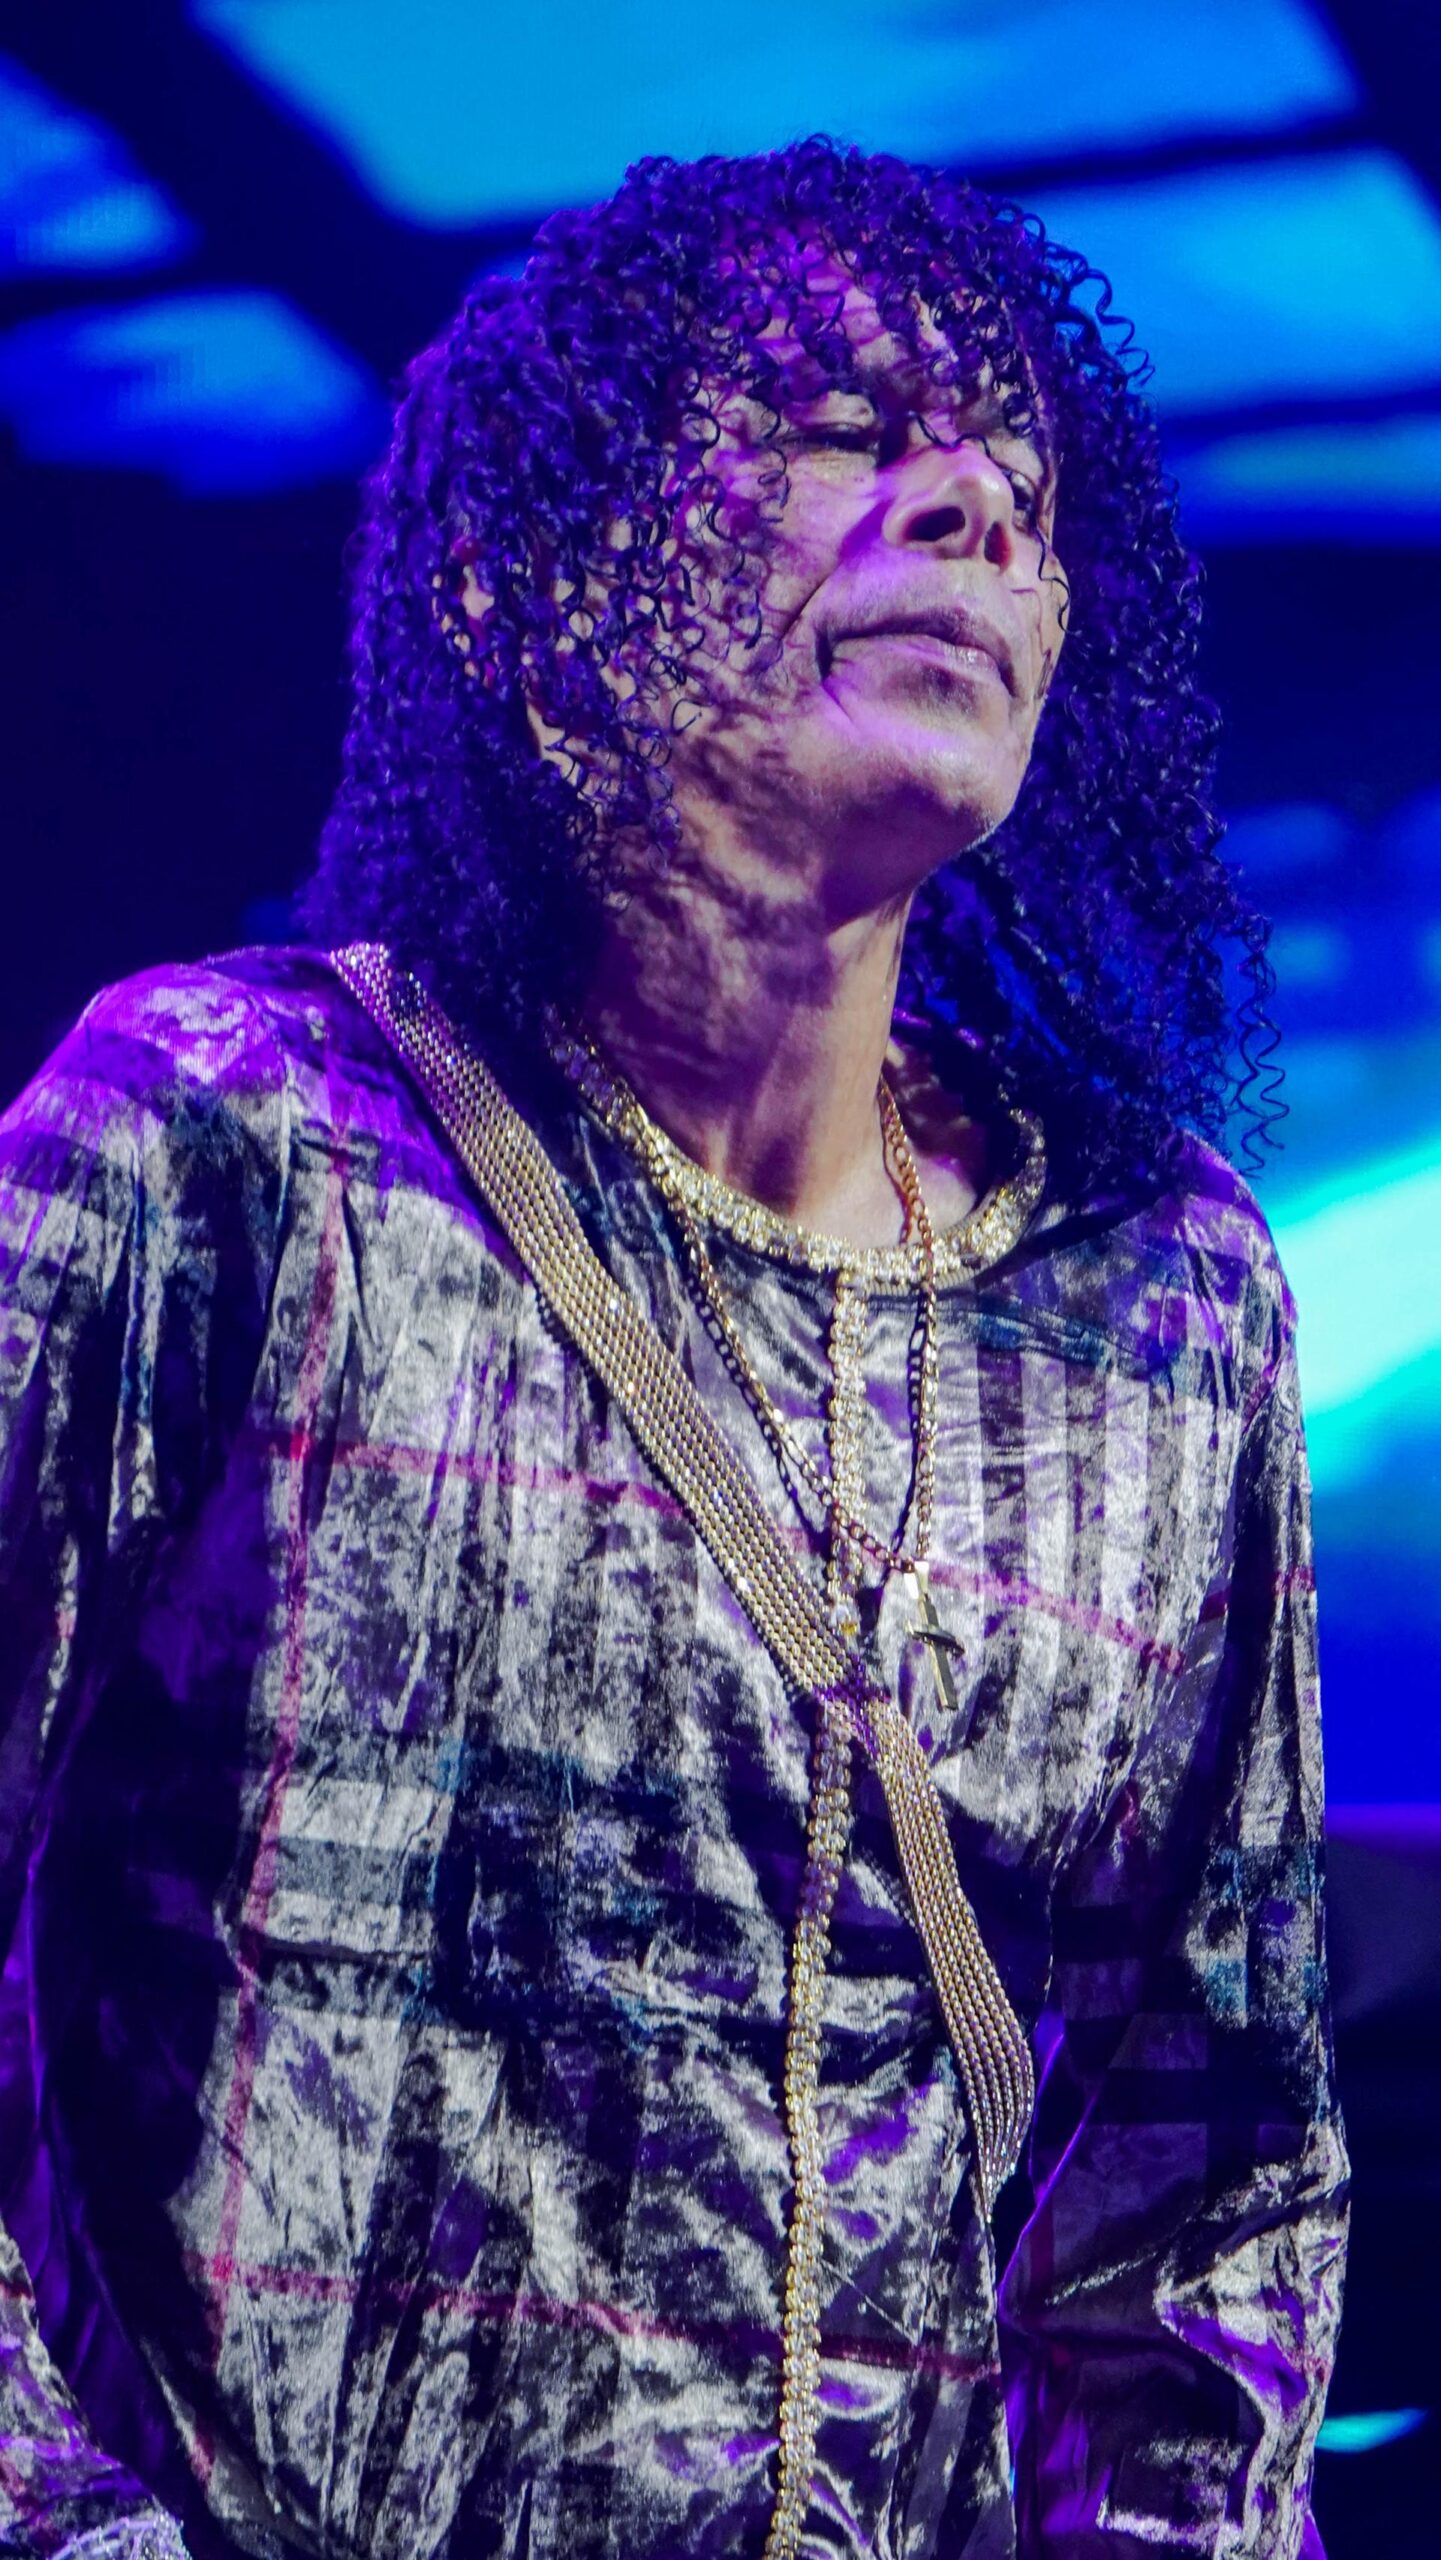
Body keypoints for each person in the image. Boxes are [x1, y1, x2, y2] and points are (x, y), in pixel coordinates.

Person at [0, 138, 1347, 2560]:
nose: (968, 505)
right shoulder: (228, 1139)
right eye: (842, 426)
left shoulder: (1156, 1298)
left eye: (1022, 491)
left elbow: (1208, 2178)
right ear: (527, 583)